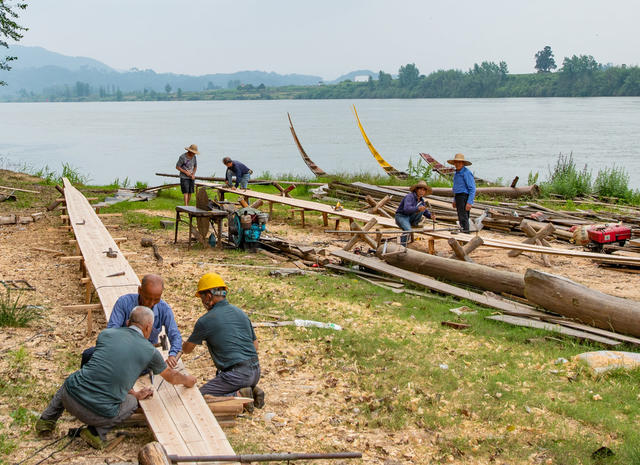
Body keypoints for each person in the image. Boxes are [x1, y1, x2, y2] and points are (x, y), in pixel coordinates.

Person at [35, 306, 197, 449]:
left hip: (69, 398)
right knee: (132, 402)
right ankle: (95, 432)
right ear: (148, 327)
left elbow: (111, 371)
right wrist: (188, 380)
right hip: (97, 415)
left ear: (128, 322)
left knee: (74, 379)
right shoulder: (149, 351)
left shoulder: (106, 334)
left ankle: (46, 421)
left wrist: (133, 391)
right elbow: (171, 376)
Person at [182, 272, 265, 411]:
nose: (202, 302)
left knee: (199, 397)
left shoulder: (205, 321)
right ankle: (250, 390)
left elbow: (187, 350)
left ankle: (238, 394)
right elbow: (255, 346)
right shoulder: (240, 313)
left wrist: (181, 344)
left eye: (202, 298)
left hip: (236, 374)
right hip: (255, 370)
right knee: (223, 378)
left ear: (209, 296)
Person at [81, 274, 182, 369]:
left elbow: (175, 334)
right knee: (88, 355)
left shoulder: (164, 309)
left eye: (156, 299)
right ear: (139, 290)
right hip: (121, 349)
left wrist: (172, 355)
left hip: (144, 355)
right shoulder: (124, 302)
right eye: (147, 298)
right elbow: (111, 331)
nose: (151, 303)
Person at [395, 180, 434, 246]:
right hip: (402, 216)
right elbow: (406, 209)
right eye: (420, 189)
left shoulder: (421, 200)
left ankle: (414, 223)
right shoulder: (409, 197)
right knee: (408, 230)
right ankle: (402, 246)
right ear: (416, 190)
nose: (422, 191)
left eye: (424, 190)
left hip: (410, 217)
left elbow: (425, 211)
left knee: (422, 207)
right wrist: (418, 208)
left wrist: (431, 216)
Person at [448, 153, 476, 233]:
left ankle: (466, 235)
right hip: (458, 196)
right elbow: (456, 188)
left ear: (463, 163)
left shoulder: (466, 173)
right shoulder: (457, 173)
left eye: (459, 162)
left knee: (463, 217)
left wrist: (469, 202)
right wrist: (454, 199)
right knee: (461, 217)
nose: (457, 164)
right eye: (456, 162)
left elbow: (472, 188)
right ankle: (464, 233)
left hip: (464, 197)